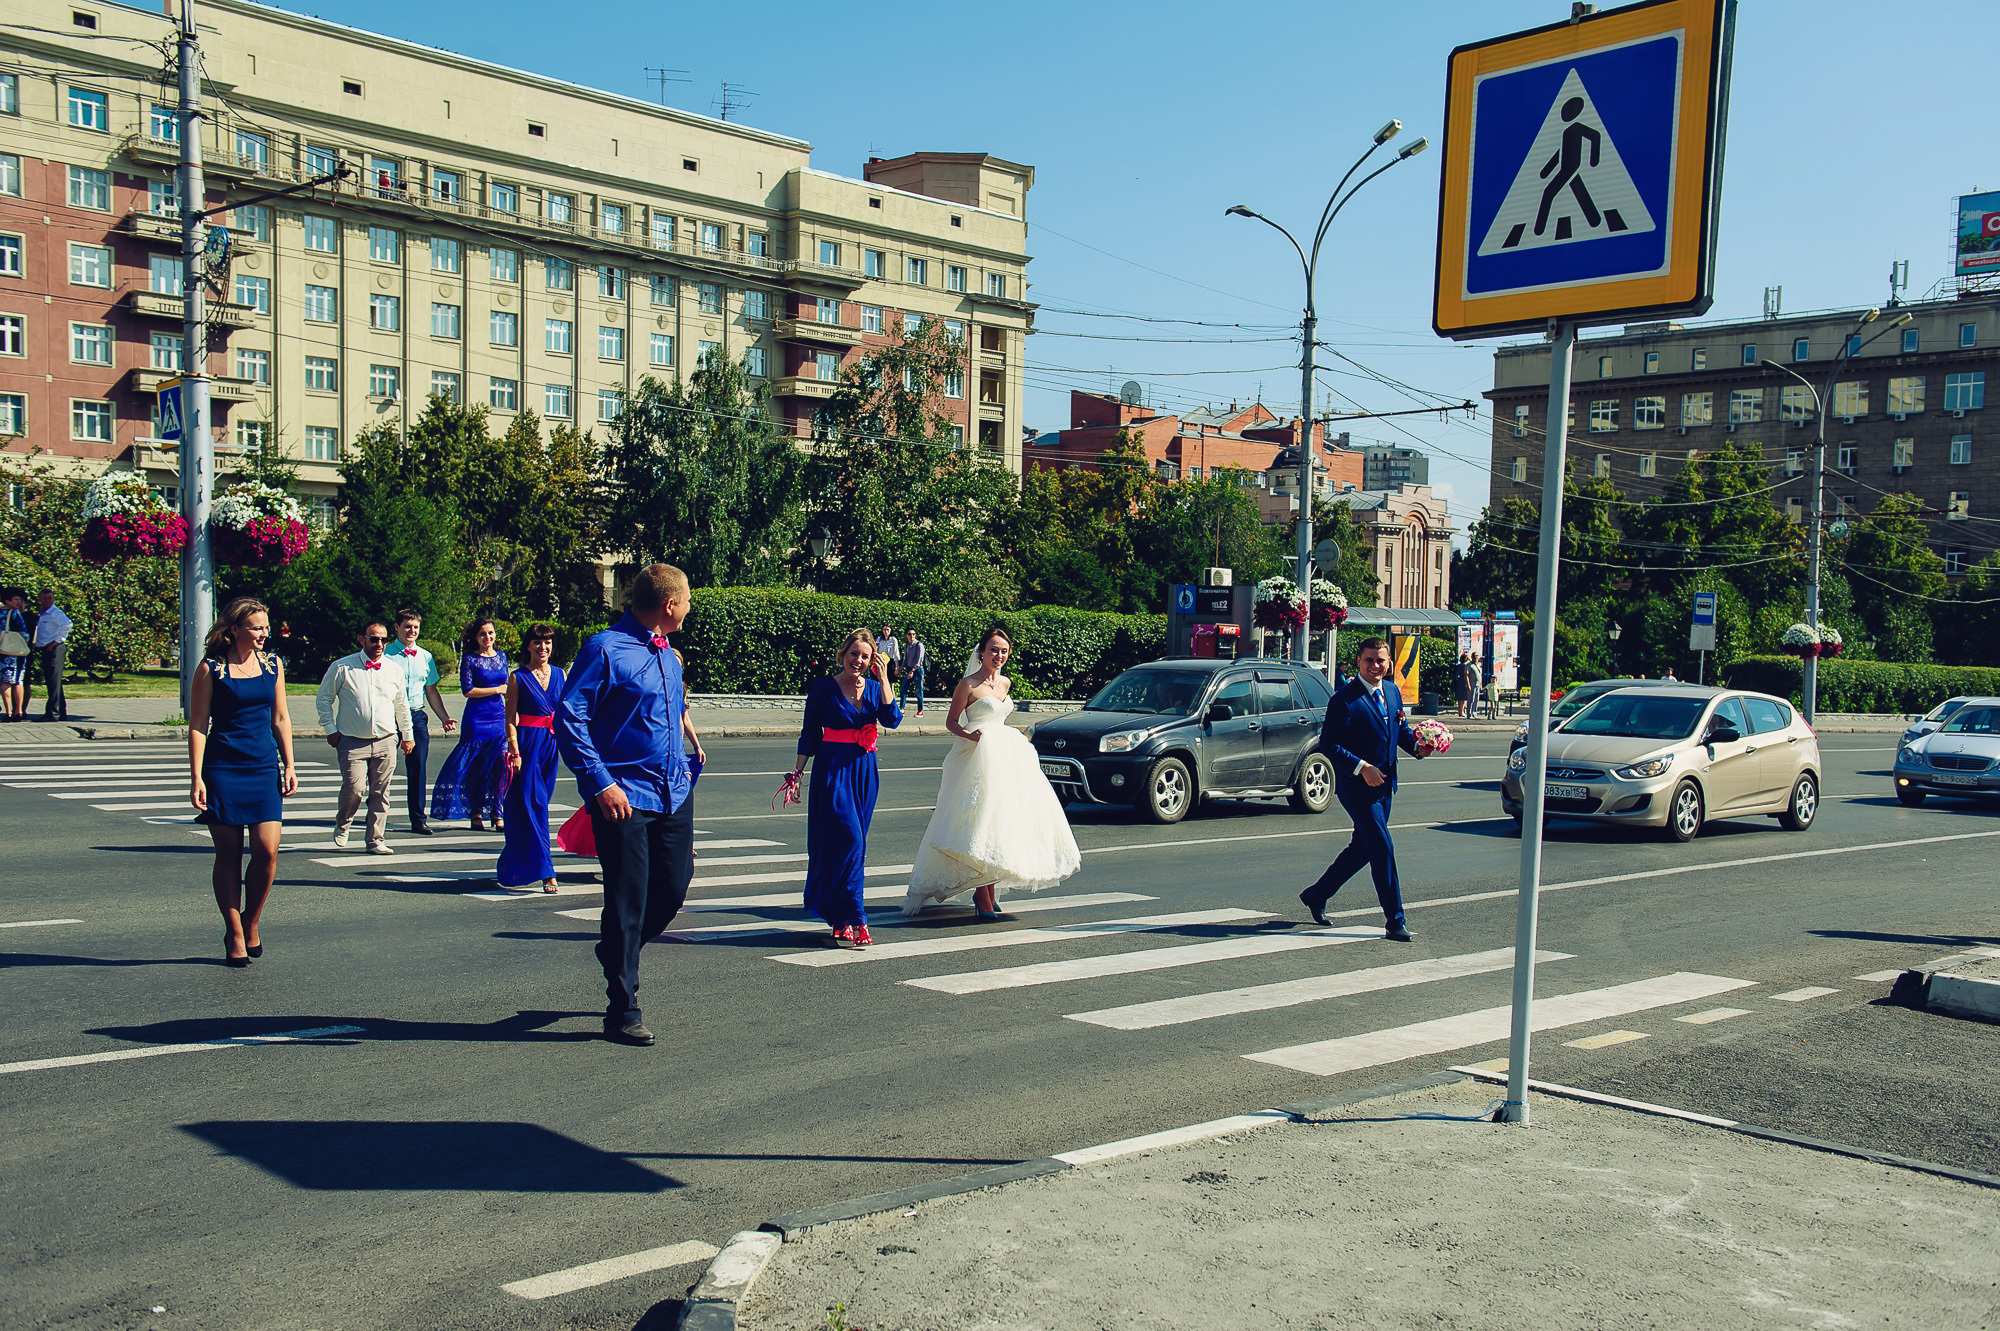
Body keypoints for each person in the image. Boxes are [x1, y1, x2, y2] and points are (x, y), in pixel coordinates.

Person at [556, 564, 705, 1047]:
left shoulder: (669, 656)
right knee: (626, 899)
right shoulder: (604, 648)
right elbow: (569, 715)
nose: (689, 607)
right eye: (686, 600)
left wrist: (684, 767)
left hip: (672, 792)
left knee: (674, 889)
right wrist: (600, 783)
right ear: (669, 605)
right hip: (623, 798)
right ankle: (623, 1008)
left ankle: (617, 949)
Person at [905, 626, 1080, 921]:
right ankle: (981, 895)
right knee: (980, 822)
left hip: (1006, 756)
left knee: (1001, 821)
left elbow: (1000, 717)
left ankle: (987, 891)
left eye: (1003, 651)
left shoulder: (1006, 683)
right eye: (993, 650)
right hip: (977, 757)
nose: (998, 655)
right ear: (982, 652)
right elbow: (951, 722)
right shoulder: (968, 685)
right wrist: (973, 738)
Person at [1299, 636, 1436, 942]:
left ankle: (1317, 894)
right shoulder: (1345, 699)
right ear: (1358, 662)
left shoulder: (1391, 691)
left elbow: (1398, 729)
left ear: (1389, 664)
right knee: (1382, 848)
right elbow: (1329, 744)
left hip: (1386, 786)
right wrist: (1362, 767)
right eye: (1369, 660)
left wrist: (1418, 747)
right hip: (1358, 788)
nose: (1375, 666)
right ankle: (1395, 920)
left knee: (1363, 848)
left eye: (1381, 660)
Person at [188, 597, 297, 966]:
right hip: (223, 768)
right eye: (256, 627)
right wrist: (196, 778)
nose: (264, 634)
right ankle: (234, 930)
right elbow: (198, 726)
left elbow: (280, 718)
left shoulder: (272, 665)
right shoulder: (211, 669)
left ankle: (253, 921)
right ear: (235, 629)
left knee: (267, 851)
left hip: (263, 766)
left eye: (266, 627)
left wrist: (290, 764)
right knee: (229, 855)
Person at [789, 628, 901, 948]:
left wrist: (886, 679)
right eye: (854, 653)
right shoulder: (823, 688)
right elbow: (809, 733)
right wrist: (797, 772)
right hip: (832, 770)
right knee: (849, 839)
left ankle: (842, 919)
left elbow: (892, 719)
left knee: (854, 845)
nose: (859, 660)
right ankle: (857, 916)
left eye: (866, 656)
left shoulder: (876, 688)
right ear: (843, 654)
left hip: (864, 771)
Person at [315, 622, 415, 853]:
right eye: (373, 639)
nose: (378, 644)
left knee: (381, 793)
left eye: (382, 639)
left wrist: (407, 736)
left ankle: (375, 840)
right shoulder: (342, 667)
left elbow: (402, 705)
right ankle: (344, 822)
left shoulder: (393, 670)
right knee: (355, 788)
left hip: (386, 738)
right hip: (351, 740)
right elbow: (324, 699)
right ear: (362, 640)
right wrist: (330, 728)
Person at [498, 624, 566, 893]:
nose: (543, 647)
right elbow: (510, 719)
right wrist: (514, 752)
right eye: (537, 642)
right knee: (535, 805)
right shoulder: (518, 677)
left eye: (547, 642)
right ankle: (547, 871)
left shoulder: (560, 674)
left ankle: (520, 862)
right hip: (527, 748)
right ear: (528, 646)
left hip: (551, 745)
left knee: (539, 804)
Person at [431, 618, 509, 831]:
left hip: (499, 717)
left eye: (491, 633)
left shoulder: (502, 656)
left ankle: (497, 810)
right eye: (483, 634)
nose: (488, 637)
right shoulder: (470, 659)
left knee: (502, 763)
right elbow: (468, 691)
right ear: (475, 637)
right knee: (476, 768)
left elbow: (508, 687)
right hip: (477, 719)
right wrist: (496, 690)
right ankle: (475, 812)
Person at [388, 610, 456, 834]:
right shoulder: (386, 654)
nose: (412, 631)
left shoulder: (425, 657)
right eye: (407, 626)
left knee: (417, 767)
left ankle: (418, 818)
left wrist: (444, 717)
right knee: (381, 766)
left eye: (415, 627)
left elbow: (431, 690)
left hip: (416, 715)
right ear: (397, 627)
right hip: (389, 715)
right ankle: (375, 802)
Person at [32, 589, 72, 722]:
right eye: (44, 598)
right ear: (40, 599)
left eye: (50, 598)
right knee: (52, 681)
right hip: (45, 649)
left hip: (54, 649)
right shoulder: (42, 614)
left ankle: (53, 713)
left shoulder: (56, 613)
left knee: (54, 681)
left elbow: (67, 625)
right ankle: (60, 711)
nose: (47, 600)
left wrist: (55, 642)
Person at [0, 589, 31, 722]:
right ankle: (17, 711)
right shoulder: (14, 613)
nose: (19, 602)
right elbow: (24, 633)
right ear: (8, 600)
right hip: (14, 651)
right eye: (16, 599)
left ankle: (7, 711)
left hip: (1, 650)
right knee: (17, 680)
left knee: (4, 681)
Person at [901, 628, 927, 715]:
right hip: (909, 669)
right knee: (903, 689)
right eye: (909, 634)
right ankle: (902, 708)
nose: (911, 636)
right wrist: (900, 669)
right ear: (906, 635)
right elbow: (905, 659)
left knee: (919, 690)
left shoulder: (919, 645)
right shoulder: (907, 645)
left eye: (913, 634)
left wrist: (912, 671)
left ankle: (920, 710)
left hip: (918, 670)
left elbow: (920, 660)